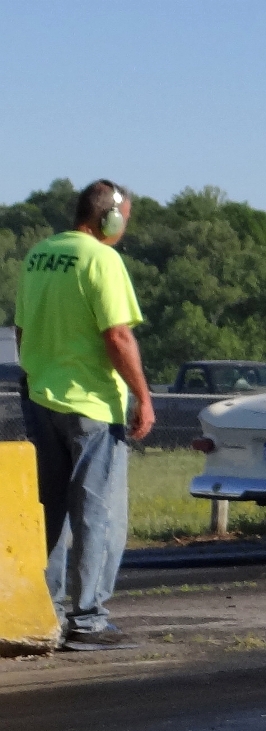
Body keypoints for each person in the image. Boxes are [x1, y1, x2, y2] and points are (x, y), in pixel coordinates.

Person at [14, 179, 155, 651]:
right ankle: (89, 620)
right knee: (99, 513)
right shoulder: (102, 259)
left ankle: (48, 613)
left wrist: (39, 375)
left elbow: (20, 329)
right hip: (93, 405)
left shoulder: (38, 255)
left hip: (40, 398)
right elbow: (117, 336)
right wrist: (143, 396)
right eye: (124, 220)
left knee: (50, 510)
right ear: (108, 218)